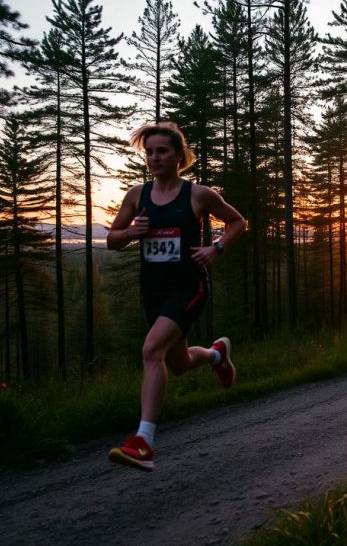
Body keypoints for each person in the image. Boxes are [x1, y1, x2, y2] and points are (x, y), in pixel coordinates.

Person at [105, 122, 247, 471]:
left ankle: (144, 442)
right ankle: (216, 355)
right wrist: (130, 231)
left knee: (151, 349)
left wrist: (216, 249)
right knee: (177, 364)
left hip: (189, 286)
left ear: (178, 156)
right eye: (149, 151)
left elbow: (239, 222)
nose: (154, 157)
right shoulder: (137, 196)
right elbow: (112, 240)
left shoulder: (198, 195)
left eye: (162, 151)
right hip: (153, 289)